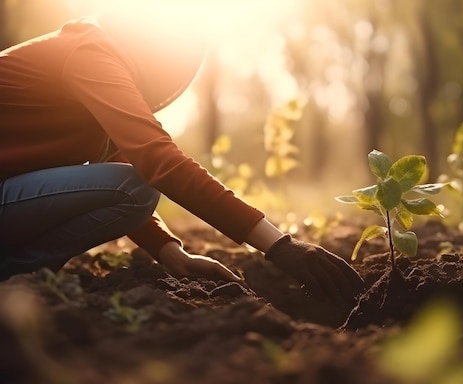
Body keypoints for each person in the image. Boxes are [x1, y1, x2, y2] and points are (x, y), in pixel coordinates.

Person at [0, 10, 364, 307]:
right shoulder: (89, 54)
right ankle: (14, 273)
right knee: (136, 188)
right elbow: (158, 162)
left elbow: (124, 164)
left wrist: (170, 251)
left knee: (132, 186)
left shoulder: (89, 55)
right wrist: (279, 245)